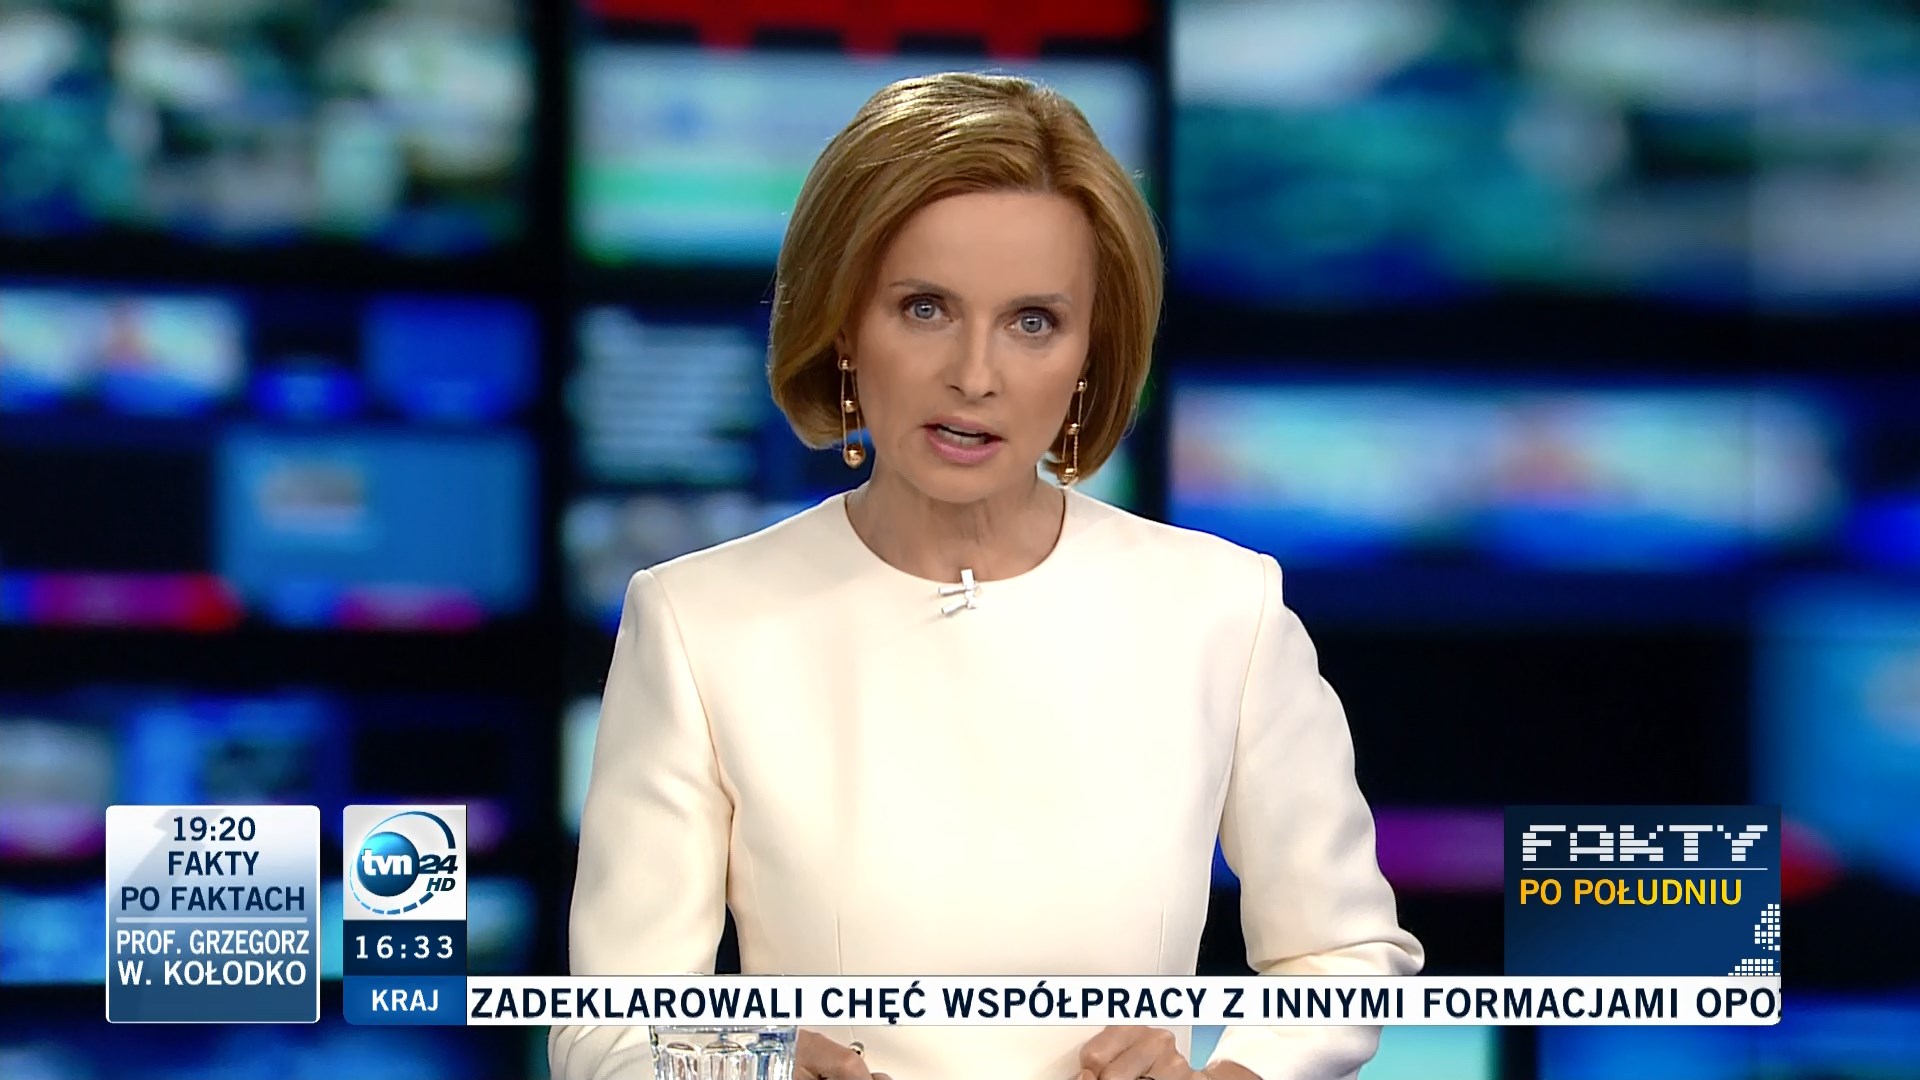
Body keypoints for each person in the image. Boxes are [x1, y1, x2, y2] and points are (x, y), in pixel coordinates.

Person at [550, 71, 1423, 1080]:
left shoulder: (1222, 609)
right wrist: (758, 1069)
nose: (975, 374)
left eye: (1033, 321)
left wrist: (1228, 1077)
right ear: (844, 324)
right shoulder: (696, 622)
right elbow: (605, 1028)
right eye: (924, 308)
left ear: (1090, 353)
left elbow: (1345, 959)